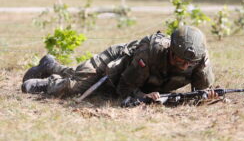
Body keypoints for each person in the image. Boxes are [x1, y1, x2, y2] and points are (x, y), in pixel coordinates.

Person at [21, 25, 216, 105]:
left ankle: (51, 64)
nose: (184, 66)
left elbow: (198, 94)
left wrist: (207, 97)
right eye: (180, 60)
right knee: (73, 87)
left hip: (141, 78)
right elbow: (125, 88)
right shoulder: (150, 52)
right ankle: (46, 81)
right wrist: (143, 97)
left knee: (85, 82)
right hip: (116, 62)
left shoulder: (199, 60)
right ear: (170, 51)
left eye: (190, 63)